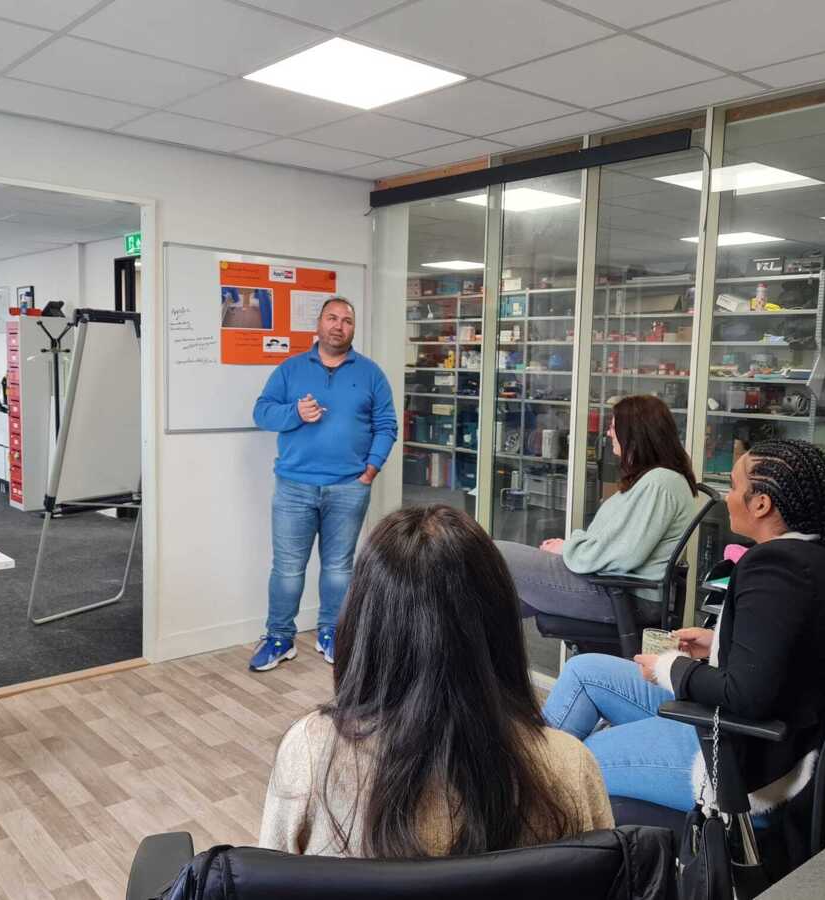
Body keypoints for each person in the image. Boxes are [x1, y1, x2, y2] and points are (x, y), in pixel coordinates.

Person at [543, 439, 825, 813]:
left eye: (735, 486)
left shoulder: (775, 568)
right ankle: (529, 786)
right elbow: (795, 647)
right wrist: (719, 641)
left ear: (761, 503)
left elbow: (745, 695)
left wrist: (669, 668)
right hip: (771, 729)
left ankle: (528, 794)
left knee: (575, 762)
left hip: (745, 758)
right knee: (583, 671)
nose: (727, 496)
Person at [259, 506, 613, 858]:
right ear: (500, 624)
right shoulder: (570, 767)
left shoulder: (311, 754)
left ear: (363, 621)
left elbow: (269, 876)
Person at [250, 297, 397, 672]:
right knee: (287, 570)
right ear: (318, 324)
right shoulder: (291, 369)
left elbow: (387, 425)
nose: (339, 325)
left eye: (347, 320)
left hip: (349, 488)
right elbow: (262, 412)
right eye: (332, 318)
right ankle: (280, 637)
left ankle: (332, 632)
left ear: (352, 328)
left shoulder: (371, 374)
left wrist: (370, 470)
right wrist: (295, 413)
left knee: (338, 569)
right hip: (294, 488)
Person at [498, 395, 699, 627]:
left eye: (613, 427)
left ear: (634, 434)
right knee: (498, 597)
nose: (608, 433)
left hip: (623, 596)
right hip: (612, 588)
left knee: (495, 553)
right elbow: (616, 543)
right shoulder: (655, 479)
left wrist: (566, 549)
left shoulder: (659, 483)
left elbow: (624, 554)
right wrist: (571, 547)